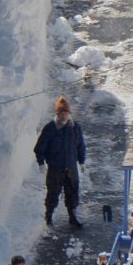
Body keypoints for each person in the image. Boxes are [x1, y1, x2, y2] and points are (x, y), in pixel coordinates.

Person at [33, 96, 86, 228]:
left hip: (71, 168)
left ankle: (72, 216)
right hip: (55, 168)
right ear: (57, 113)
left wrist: (82, 161)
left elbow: (81, 146)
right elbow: (39, 148)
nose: (64, 115)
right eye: (61, 112)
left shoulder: (75, 128)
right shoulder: (50, 128)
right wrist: (41, 163)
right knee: (53, 193)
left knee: (73, 193)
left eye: (66, 112)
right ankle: (49, 216)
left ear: (69, 113)